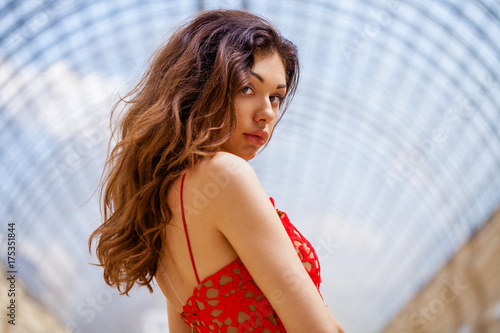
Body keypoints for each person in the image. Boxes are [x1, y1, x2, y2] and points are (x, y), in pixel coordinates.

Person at [89, 9, 345, 333]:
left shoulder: (161, 212)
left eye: (277, 97)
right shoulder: (225, 175)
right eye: (247, 88)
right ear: (201, 85)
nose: (267, 113)